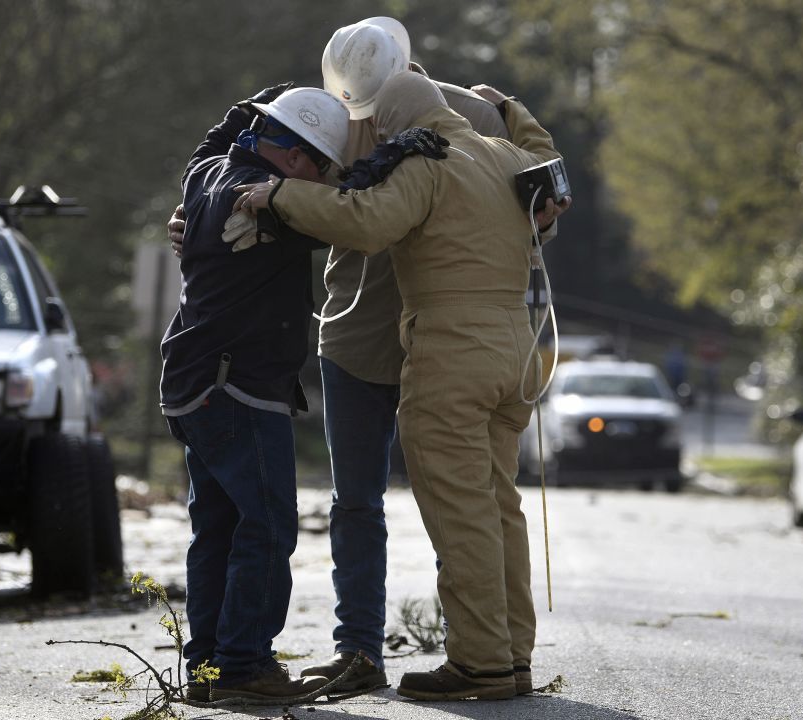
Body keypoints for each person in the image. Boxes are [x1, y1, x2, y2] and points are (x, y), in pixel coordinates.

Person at [166, 16, 569, 697]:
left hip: (437, 338)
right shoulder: (328, 112)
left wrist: (280, 197)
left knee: (458, 504)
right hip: (370, 335)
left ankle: (483, 657)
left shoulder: (451, 120)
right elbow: (537, 191)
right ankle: (383, 651)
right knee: (389, 503)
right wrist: (203, 217)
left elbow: (532, 202)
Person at [159, 83, 349, 703]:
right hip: (236, 384)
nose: (322, 179)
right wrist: (394, 155)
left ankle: (208, 671)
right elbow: (353, 207)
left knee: (217, 529)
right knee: (266, 528)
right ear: (294, 161)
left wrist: (260, 103)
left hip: (194, 382)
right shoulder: (271, 202)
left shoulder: (207, 173)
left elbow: (210, 142)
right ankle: (244, 668)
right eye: (320, 164)